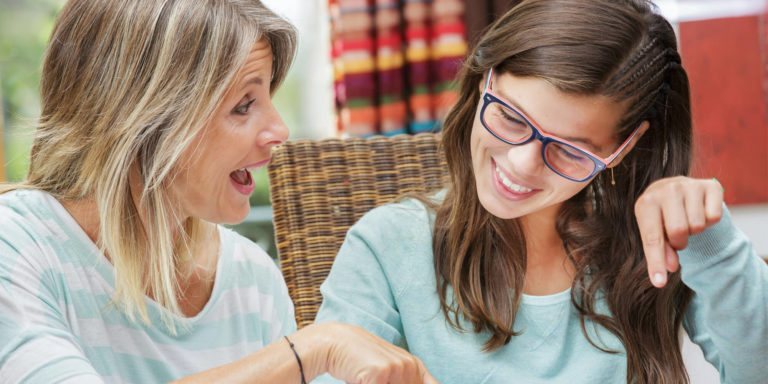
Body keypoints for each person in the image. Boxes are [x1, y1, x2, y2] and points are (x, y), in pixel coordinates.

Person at [312, 0, 768, 383]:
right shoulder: (386, 247)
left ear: (624, 149)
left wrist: (711, 243)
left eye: (570, 150)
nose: (521, 163)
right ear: (482, 84)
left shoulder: (653, 248)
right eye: (510, 118)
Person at [0, 0, 438, 383]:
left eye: (268, 96)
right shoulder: (16, 247)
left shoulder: (251, 279)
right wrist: (309, 350)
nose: (279, 131)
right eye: (243, 106)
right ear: (141, 123)